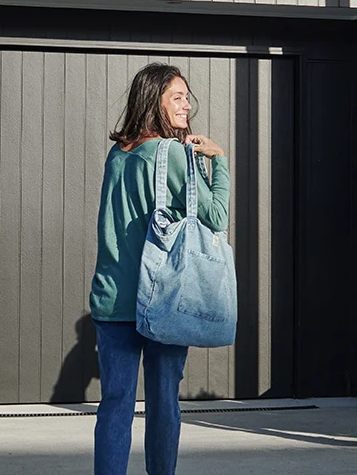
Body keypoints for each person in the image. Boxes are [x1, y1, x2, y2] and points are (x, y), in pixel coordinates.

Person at [89, 62, 230, 475]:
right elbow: (217, 215)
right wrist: (217, 159)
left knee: (114, 404)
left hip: (113, 297)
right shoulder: (173, 155)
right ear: (155, 101)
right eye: (177, 97)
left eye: (187, 96)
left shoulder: (118, 154)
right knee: (164, 402)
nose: (187, 105)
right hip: (164, 297)